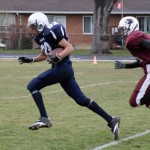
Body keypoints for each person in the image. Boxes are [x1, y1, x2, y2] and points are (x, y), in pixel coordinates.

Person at [18, 12, 120, 140]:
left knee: (32, 85)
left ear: (40, 24)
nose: (31, 29)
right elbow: (44, 55)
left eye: (33, 26)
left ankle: (44, 118)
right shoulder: (40, 37)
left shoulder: (51, 32)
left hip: (63, 67)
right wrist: (31, 60)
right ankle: (111, 119)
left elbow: (69, 47)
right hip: (62, 69)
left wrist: (58, 57)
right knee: (82, 100)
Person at [115, 16, 150, 109]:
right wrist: (125, 66)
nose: (121, 33)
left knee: (135, 101)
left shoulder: (133, 38)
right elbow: (142, 61)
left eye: (123, 29)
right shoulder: (138, 38)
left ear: (130, 26)